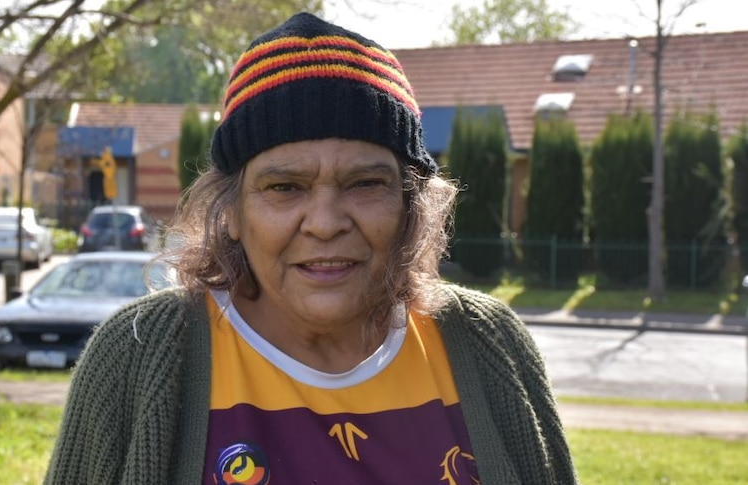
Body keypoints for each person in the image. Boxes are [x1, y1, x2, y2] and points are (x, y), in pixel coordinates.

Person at [44, 12, 577, 485]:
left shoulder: (488, 346)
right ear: (229, 211)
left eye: (365, 184)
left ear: (412, 208)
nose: (324, 224)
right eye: (284, 188)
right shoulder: (138, 358)